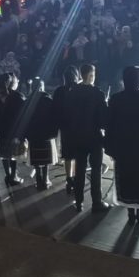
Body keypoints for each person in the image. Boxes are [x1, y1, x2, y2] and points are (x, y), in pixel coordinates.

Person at [105, 66, 139, 223]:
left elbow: (109, 124)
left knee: (126, 179)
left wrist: (110, 145)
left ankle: (130, 211)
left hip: (122, 147)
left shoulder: (116, 99)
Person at [58, 63, 110, 212]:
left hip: (77, 137)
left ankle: (79, 201)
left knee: (79, 169)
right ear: (91, 75)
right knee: (96, 170)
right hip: (94, 137)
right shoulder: (98, 94)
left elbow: (66, 115)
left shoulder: (72, 93)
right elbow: (103, 120)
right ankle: (96, 202)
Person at [53, 65, 82, 195]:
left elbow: (55, 109)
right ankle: (76, 177)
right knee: (77, 154)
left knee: (67, 154)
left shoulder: (59, 91)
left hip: (65, 127)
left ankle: (68, 178)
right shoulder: (79, 90)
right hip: (78, 126)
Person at [24, 78, 57, 190]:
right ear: (42, 87)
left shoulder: (28, 101)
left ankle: (38, 180)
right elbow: (54, 117)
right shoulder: (48, 100)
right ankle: (45, 179)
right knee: (46, 158)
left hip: (33, 135)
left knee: (36, 158)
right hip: (46, 134)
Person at [0, 72, 25, 186]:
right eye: (17, 80)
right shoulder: (17, 96)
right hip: (13, 131)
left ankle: (8, 175)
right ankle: (13, 176)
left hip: (1, 132)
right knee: (13, 155)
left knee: (4, 155)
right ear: (13, 83)